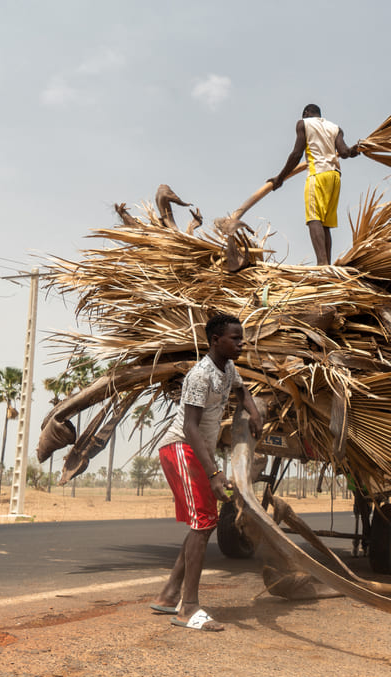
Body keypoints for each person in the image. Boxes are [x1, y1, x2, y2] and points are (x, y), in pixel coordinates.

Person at [150, 312, 263, 631]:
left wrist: (253, 412)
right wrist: (214, 473)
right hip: (181, 447)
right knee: (203, 522)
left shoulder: (227, 367)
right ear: (216, 340)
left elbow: (242, 390)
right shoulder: (200, 376)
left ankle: (170, 593)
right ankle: (189, 608)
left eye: (242, 338)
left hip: (197, 451)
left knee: (205, 522)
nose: (242, 343)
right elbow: (190, 426)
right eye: (235, 339)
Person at [269, 103, 359, 265]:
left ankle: (322, 264)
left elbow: (297, 154)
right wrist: (355, 150)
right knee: (325, 224)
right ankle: (327, 264)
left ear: (306, 113)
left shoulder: (303, 124)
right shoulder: (335, 128)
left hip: (317, 174)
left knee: (313, 219)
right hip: (335, 176)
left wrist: (280, 177)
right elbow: (345, 153)